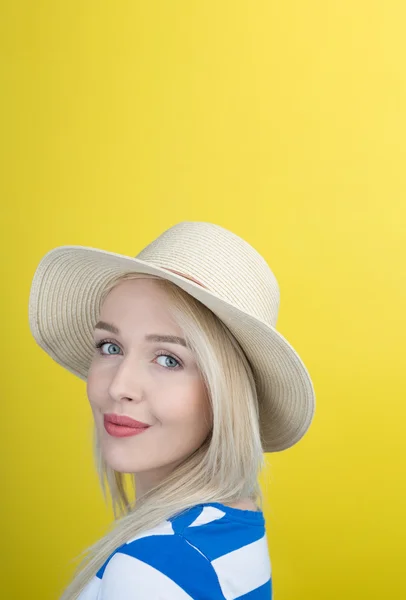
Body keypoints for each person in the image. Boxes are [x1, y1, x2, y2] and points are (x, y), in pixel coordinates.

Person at [28, 221, 316, 599]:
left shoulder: (150, 572)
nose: (120, 387)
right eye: (110, 347)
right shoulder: (231, 524)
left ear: (223, 395)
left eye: (168, 359)